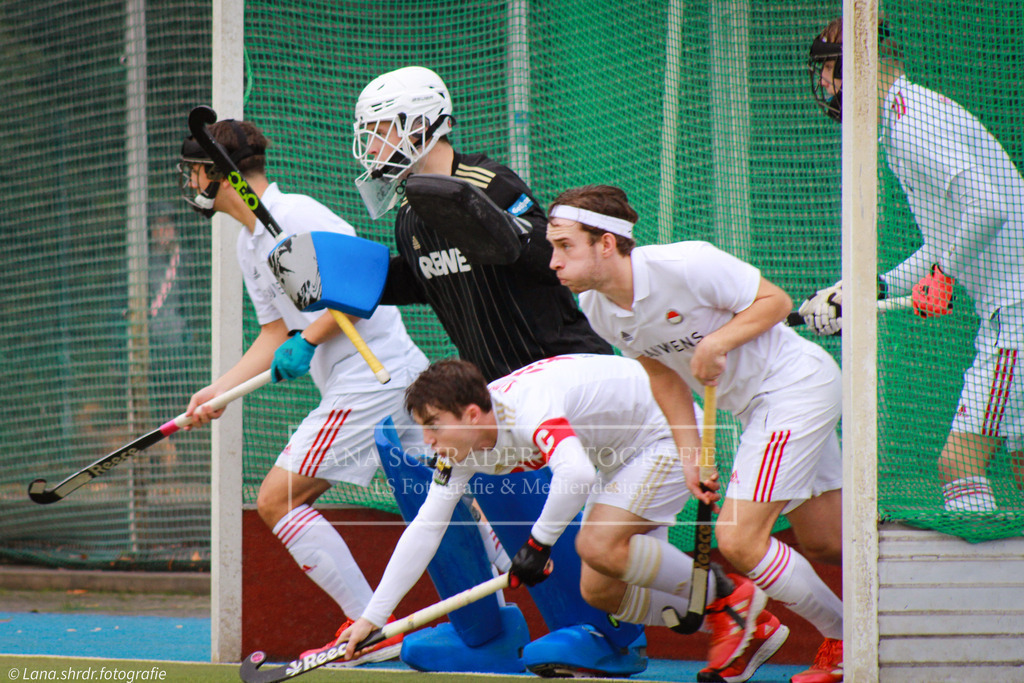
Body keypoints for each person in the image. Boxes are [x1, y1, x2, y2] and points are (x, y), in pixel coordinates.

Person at [545, 185, 845, 683]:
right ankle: (904, 613)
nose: (553, 261)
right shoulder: (599, 308)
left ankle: (846, 639)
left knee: (739, 540)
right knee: (827, 541)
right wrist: (690, 455)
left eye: (564, 246)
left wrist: (718, 341)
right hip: (754, 410)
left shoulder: (685, 264)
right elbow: (661, 375)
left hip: (793, 387)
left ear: (605, 243)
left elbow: (775, 300)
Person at [337, 354, 788, 683]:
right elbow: (426, 529)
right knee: (600, 589)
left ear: (472, 413)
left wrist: (537, 545)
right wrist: (373, 617)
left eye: (434, 425)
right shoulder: (462, 447)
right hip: (619, 458)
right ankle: (729, 611)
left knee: (596, 546)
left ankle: (731, 601)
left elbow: (575, 474)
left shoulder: (527, 408)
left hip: (664, 433)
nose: (429, 440)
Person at [176, 118, 430, 666]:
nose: (190, 183)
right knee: (456, 495)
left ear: (218, 174)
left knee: (277, 498)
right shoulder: (251, 244)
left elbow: (365, 281)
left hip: (374, 377)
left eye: (195, 171)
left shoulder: (297, 215)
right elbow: (274, 335)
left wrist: (309, 339)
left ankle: (372, 631)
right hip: (369, 379)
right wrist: (220, 391)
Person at [802, 18, 1024, 515]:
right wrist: (867, 288)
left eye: (826, 71)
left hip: (1016, 317)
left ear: (854, 67)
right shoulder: (907, 113)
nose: (821, 84)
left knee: (959, 465)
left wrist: (943, 277)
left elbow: (987, 208)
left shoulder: (911, 122)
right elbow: (947, 239)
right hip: (1009, 311)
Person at [352, 65, 613, 383]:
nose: (372, 149)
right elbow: (426, 279)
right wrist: (350, 280)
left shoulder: (488, 182)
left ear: (420, 125)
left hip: (565, 369)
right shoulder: (408, 213)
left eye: (380, 133)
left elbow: (552, 257)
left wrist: (502, 230)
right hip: (498, 390)